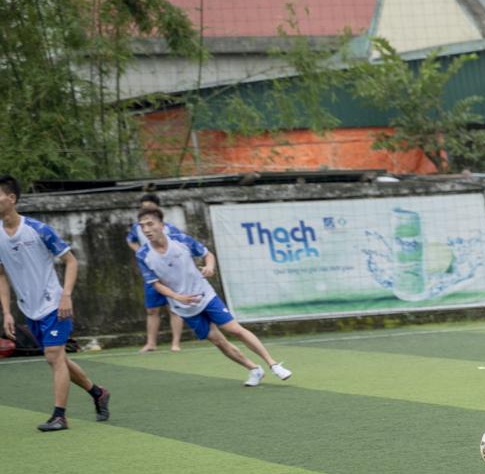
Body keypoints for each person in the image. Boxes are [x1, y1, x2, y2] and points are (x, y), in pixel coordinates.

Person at [134, 207, 292, 386]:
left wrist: (210, 267)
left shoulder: (181, 240)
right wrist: (177, 297)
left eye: (150, 224)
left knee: (234, 329)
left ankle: (273, 364)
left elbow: (208, 254)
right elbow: (155, 284)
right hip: (183, 306)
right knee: (218, 341)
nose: (146, 230)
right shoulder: (142, 255)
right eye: (142, 226)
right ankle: (254, 369)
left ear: (161, 225)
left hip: (205, 295)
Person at [0, 175, 110, 431]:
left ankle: (60, 416)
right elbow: (1, 275)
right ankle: (98, 393)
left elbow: (71, 261)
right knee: (57, 358)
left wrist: (66, 295)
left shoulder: (39, 230)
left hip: (55, 305)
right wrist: (7, 312)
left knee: (53, 355)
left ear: (11, 198)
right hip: (30, 309)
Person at [127, 193, 185, 352]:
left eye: (150, 208)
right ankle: (151, 343)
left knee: (174, 307)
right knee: (151, 309)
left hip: (170, 274)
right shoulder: (137, 228)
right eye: (143, 208)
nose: (146, 211)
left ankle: (176, 343)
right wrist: (141, 253)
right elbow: (130, 240)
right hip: (152, 275)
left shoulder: (170, 229)